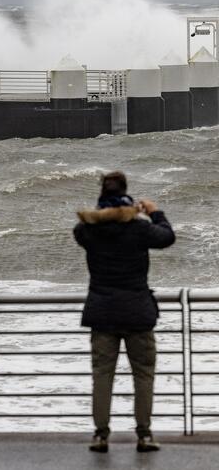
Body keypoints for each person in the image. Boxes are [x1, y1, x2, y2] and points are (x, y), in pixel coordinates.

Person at [73, 171, 175, 453]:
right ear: (126, 191)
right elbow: (167, 237)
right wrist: (154, 212)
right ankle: (143, 435)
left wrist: (105, 212)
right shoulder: (139, 229)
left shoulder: (90, 230)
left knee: (102, 376)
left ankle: (101, 435)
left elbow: (79, 230)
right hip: (137, 313)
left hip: (102, 314)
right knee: (143, 375)